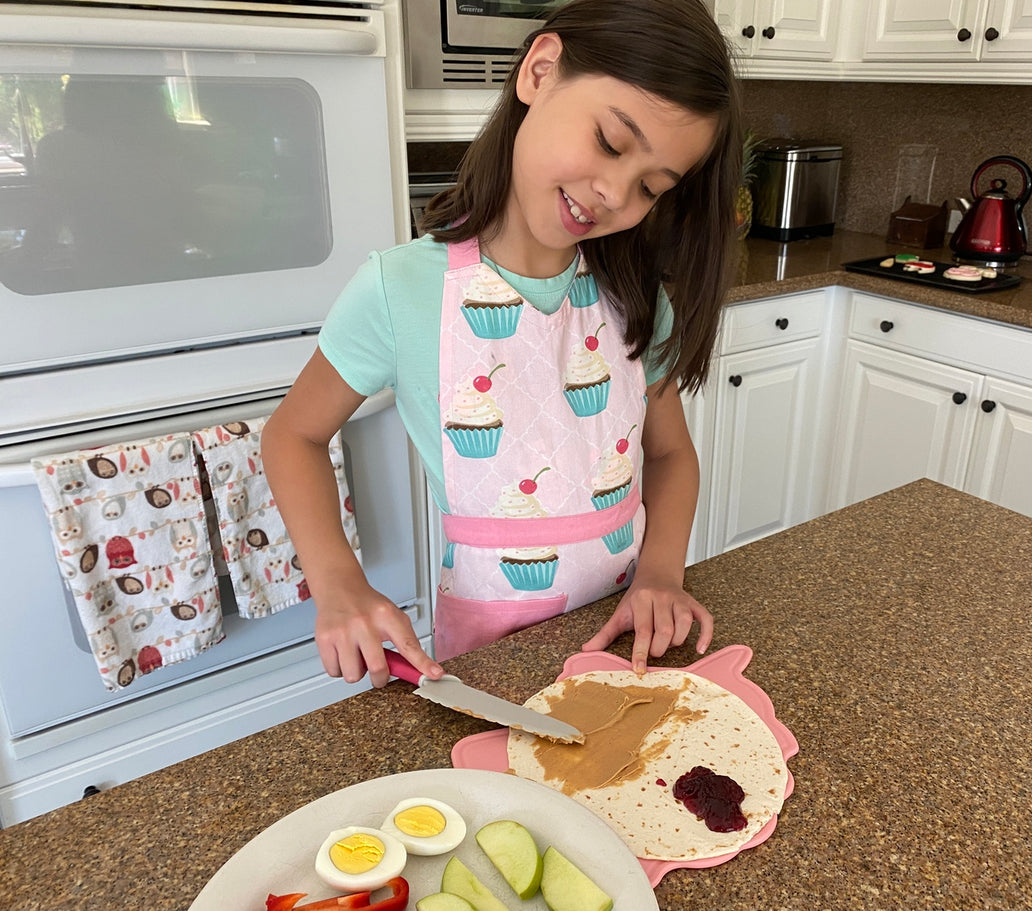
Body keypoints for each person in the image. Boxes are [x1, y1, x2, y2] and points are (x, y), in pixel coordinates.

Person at [262, 0, 742, 688]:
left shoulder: (636, 297)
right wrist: (338, 581)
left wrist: (663, 572)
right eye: (610, 141)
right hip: (492, 658)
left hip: (625, 637)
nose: (613, 192)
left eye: (650, 187)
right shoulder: (401, 289)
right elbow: (291, 436)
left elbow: (670, 452)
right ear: (540, 72)